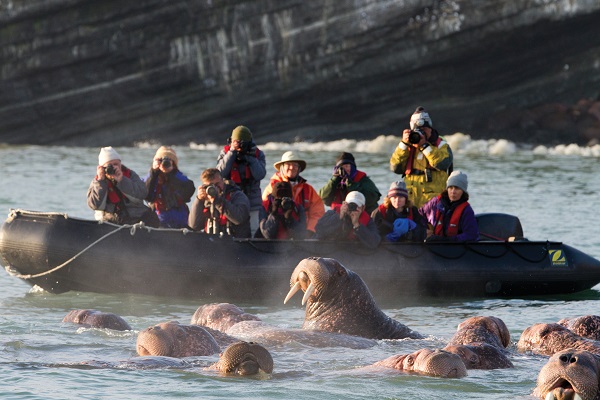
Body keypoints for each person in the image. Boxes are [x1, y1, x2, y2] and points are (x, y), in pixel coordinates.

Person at [389, 106, 453, 208]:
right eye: (417, 130)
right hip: (411, 200)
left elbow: (441, 163)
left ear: (430, 128)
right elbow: (395, 167)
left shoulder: (441, 144)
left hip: (432, 203)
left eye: (424, 129)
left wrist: (425, 146)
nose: (421, 133)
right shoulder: (408, 146)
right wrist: (403, 144)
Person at [87, 146, 159, 227]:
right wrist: (101, 181)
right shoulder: (97, 182)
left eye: (116, 164)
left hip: (137, 219)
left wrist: (122, 180)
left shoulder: (130, 175)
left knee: (152, 217)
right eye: (109, 166)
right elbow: (95, 205)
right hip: (111, 221)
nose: (114, 168)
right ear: (102, 168)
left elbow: (142, 194)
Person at [216, 125, 266, 236]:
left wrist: (250, 157)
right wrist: (232, 152)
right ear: (231, 141)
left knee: (254, 234)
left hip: (253, 202)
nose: (240, 146)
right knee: (233, 233)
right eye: (237, 142)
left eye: (243, 143)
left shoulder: (257, 154)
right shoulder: (225, 153)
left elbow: (260, 174)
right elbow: (220, 173)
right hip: (232, 202)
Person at [262, 151, 325, 237]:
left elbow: (318, 212)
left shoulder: (308, 189)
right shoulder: (272, 187)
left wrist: (310, 230)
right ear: (282, 167)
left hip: (300, 233)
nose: (292, 167)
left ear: (299, 168)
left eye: (295, 165)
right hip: (275, 234)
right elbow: (263, 212)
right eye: (288, 164)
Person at [188, 168, 251, 238]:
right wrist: (198, 200)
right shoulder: (204, 199)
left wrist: (217, 201)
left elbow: (238, 219)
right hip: (212, 243)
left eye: (217, 184)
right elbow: (194, 225)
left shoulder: (237, 195)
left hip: (235, 242)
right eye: (210, 186)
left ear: (223, 181)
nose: (215, 188)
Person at [419, 170, 479, 242]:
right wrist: (424, 230)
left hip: (454, 247)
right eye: (450, 188)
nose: (453, 191)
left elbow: (471, 235)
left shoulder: (466, 210)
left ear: (463, 191)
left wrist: (447, 240)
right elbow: (419, 215)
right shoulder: (435, 203)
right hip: (434, 245)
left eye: (457, 188)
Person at [143, 146, 195, 229]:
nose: (164, 164)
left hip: (180, 223)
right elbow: (147, 195)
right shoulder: (151, 178)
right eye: (161, 161)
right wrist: (154, 172)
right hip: (158, 222)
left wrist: (171, 173)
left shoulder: (178, 177)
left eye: (169, 161)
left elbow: (188, 192)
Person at [315, 191, 381, 249]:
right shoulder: (333, 213)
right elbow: (319, 229)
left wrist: (357, 225)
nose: (352, 208)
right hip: (330, 249)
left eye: (356, 206)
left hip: (352, 254)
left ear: (363, 208)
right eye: (350, 205)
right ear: (344, 204)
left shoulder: (368, 221)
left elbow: (374, 242)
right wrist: (339, 217)